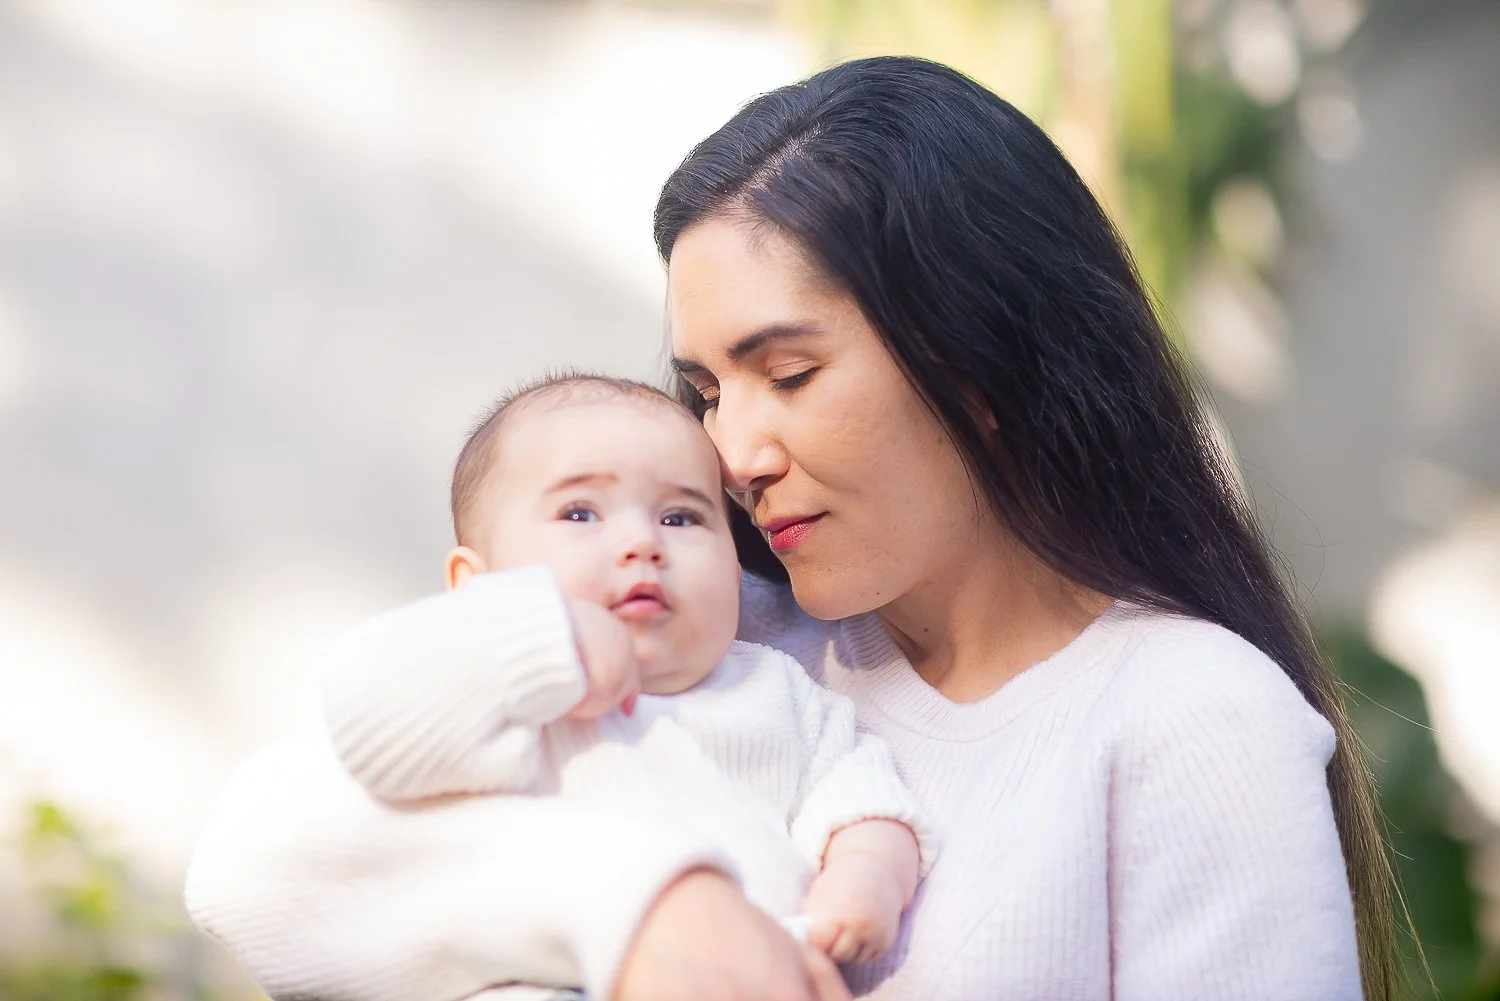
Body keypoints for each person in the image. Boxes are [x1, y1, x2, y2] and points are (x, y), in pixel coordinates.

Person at [184, 55, 1400, 1001]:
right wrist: (646, 899)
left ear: (976, 358)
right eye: (709, 390)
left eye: (790, 371)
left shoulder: (1190, 721)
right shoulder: (729, 648)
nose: (731, 454)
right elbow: (251, 867)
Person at [293, 373, 932, 1001]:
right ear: (476, 585)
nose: (640, 543)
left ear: (735, 571)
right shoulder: (497, 694)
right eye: (580, 512)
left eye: (681, 518)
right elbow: (372, 724)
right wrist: (530, 638)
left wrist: (866, 872)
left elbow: (861, 795)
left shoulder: (775, 687)